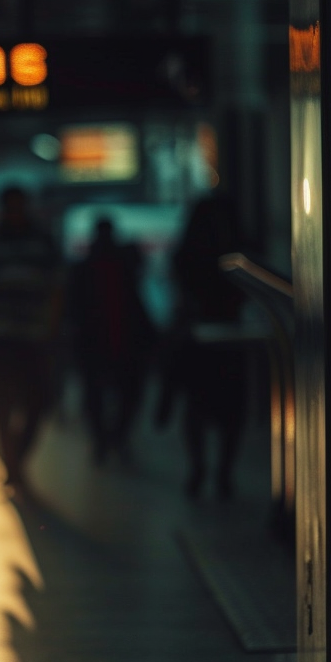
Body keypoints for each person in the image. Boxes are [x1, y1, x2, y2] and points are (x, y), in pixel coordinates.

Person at [0, 185, 63, 490]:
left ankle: (15, 459)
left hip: (32, 333)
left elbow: (57, 288)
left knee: (38, 402)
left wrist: (51, 329)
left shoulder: (42, 241)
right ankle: (13, 464)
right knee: (2, 403)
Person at [157, 193, 246, 498]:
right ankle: (220, 473)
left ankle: (203, 470)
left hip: (202, 337)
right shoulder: (237, 251)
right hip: (227, 336)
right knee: (228, 412)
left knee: (199, 409)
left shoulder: (187, 253)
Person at [71, 218, 153, 463]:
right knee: (121, 394)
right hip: (114, 338)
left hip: (103, 339)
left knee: (101, 395)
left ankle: (107, 439)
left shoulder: (88, 267)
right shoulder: (116, 265)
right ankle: (112, 438)